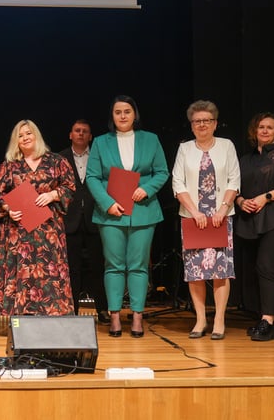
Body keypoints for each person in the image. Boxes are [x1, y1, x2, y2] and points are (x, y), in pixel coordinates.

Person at [85, 95, 169, 338]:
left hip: (143, 211)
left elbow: (162, 172)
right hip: (111, 213)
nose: (122, 116)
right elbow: (92, 176)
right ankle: (114, 317)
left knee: (139, 266)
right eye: (118, 112)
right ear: (112, 116)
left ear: (135, 114)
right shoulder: (101, 142)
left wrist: (148, 188)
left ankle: (138, 317)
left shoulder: (151, 140)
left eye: (127, 111)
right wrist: (107, 203)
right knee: (113, 266)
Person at [0, 119, 76, 317]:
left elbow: (70, 187)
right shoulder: (10, 166)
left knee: (50, 271)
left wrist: (53, 195)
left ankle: (52, 315)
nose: (25, 138)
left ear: (36, 135)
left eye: (28, 133)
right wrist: (8, 208)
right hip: (19, 230)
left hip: (49, 230)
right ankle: (22, 318)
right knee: (23, 272)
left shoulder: (56, 161)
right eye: (20, 136)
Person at [172, 100, 240, 340]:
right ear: (191, 125)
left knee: (221, 270)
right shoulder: (185, 149)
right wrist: (194, 211)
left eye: (206, 121)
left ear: (215, 123)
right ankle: (200, 319)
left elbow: (234, 180)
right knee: (195, 271)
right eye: (197, 121)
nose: (202, 125)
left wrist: (222, 208)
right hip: (193, 218)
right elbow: (177, 183)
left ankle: (219, 319)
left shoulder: (226, 146)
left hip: (221, 217)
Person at [234, 112, 274, 341]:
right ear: (255, 131)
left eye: (269, 127)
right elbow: (234, 187)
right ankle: (264, 317)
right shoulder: (245, 159)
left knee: (266, 265)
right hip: (248, 218)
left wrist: (266, 197)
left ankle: (268, 320)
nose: (264, 131)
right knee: (253, 268)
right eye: (261, 127)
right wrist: (241, 201)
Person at [58, 119, 109, 323]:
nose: (80, 134)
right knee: (72, 269)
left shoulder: (99, 157)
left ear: (90, 136)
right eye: (77, 130)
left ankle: (103, 310)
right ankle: (73, 311)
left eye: (85, 131)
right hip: (69, 221)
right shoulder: (60, 158)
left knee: (98, 267)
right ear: (70, 134)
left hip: (95, 218)